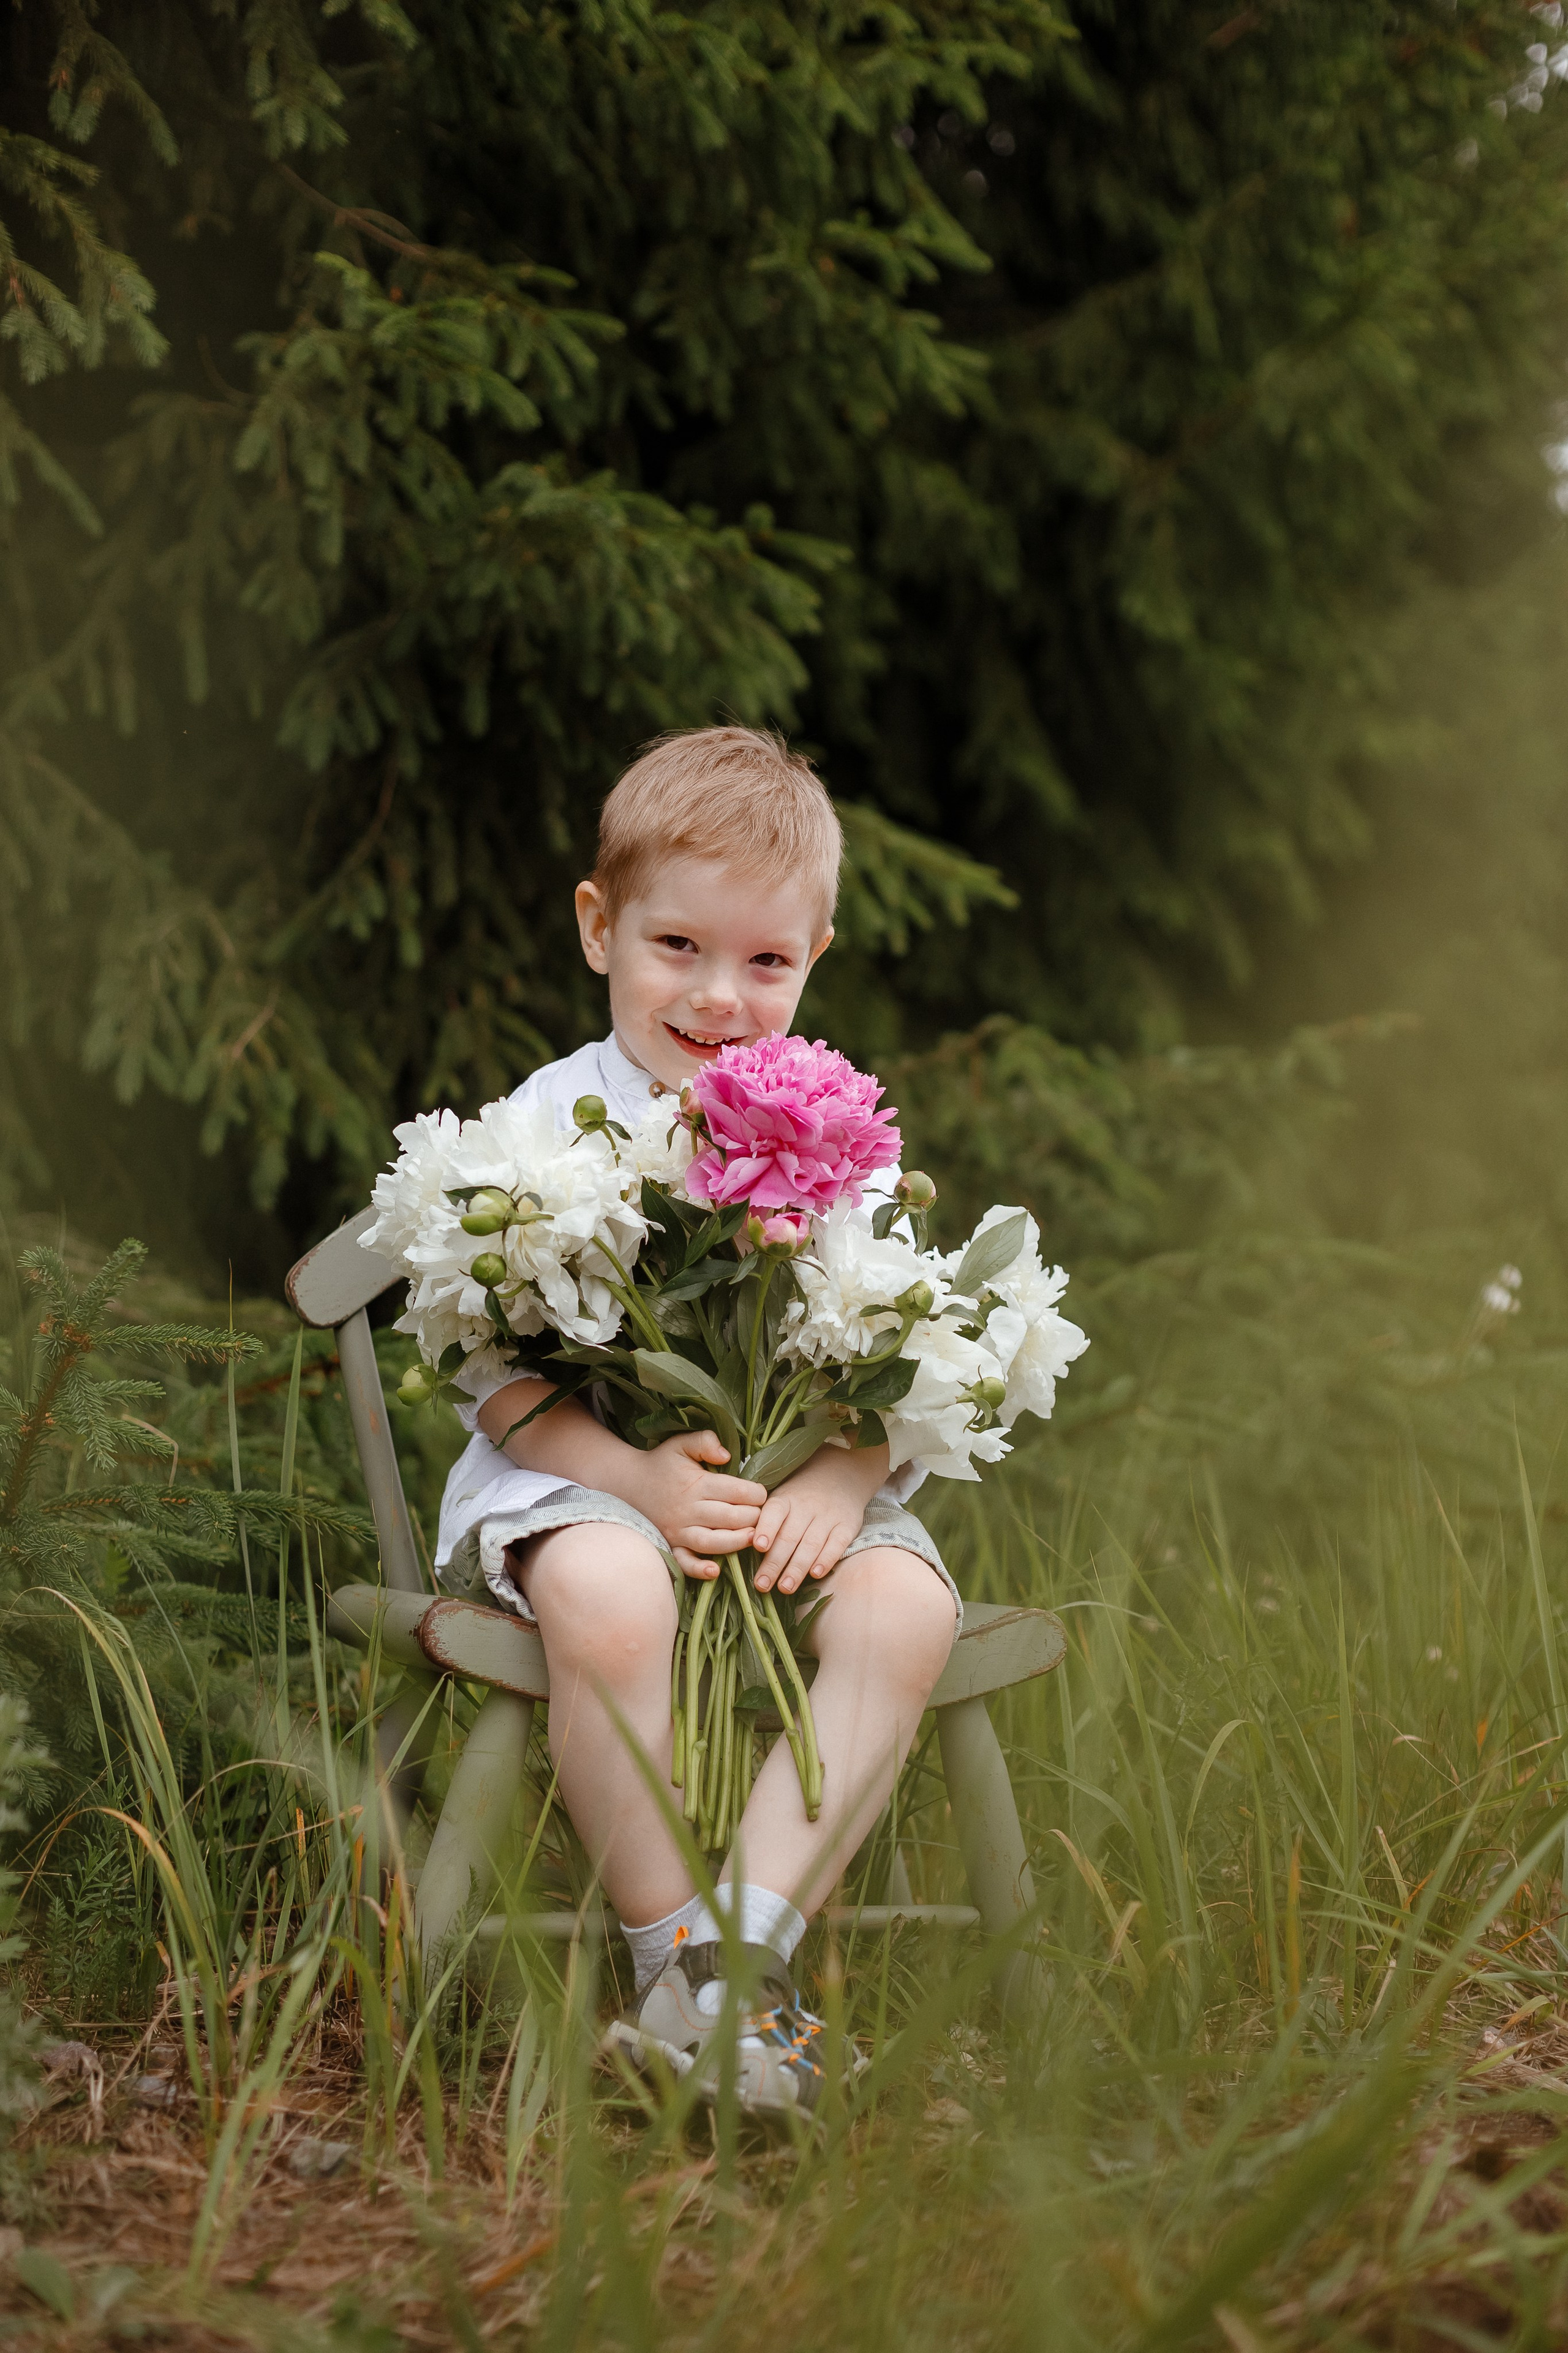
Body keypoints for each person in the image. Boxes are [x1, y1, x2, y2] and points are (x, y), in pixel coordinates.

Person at [434, 725, 960, 2119]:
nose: (721, 997)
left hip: (796, 1491)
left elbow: (903, 1347)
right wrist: (631, 1477)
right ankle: (674, 1960)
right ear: (598, 928)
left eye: (767, 961)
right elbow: (486, 1370)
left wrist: (846, 1476)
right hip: (583, 1479)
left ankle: (744, 1966)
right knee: (612, 1596)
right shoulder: (547, 1125)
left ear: (816, 957)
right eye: (677, 945)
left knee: (905, 1612)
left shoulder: (840, 1135)